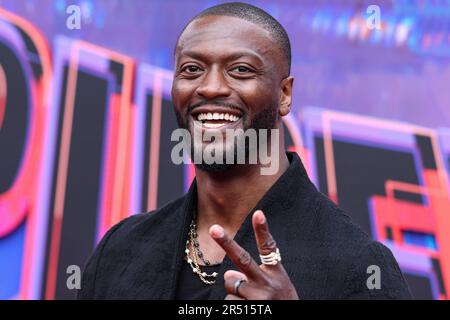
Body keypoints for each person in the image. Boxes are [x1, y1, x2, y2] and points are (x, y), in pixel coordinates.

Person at [78, 2, 412, 300]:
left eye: (240, 70)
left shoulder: (357, 267)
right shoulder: (121, 252)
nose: (210, 87)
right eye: (192, 69)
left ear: (284, 94)